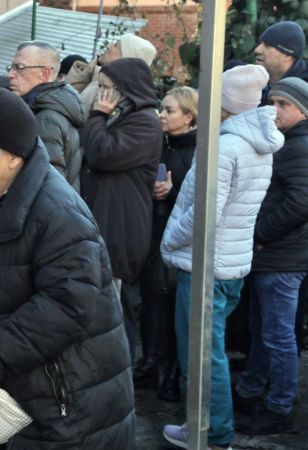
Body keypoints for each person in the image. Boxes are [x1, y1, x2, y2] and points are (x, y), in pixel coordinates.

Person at [0, 88, 135, 449]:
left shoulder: (58, 213)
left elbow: (66, 305)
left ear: (14, 157)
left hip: (63, 405)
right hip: (18, 396)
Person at [161, 64, 284, 450]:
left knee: (200, 353)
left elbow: (203, 215)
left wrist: (169, 240)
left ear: (224, 103)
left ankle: (212, 432)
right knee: (209, 351)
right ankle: (208, 427)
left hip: (205, 267)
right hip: (230, 265)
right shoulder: (254, 143)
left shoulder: (225, 145)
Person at [233, 77, 308, 436]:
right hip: (273, 257)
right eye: (272, 102)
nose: (274, 110)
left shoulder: (300, 146)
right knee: (262, 329)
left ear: (303, 112)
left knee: (278, 335)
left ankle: (280, 408)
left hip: (282, 258)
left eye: (284, 105)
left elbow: (300, 203)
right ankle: (251, 389)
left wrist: (260, 235)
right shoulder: (287, 142)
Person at [80, 57, 163, 365]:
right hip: (108, 224)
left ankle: (118, 375)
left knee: (113, 315)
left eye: (105, 88)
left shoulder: (143, 122)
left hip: (120, 231)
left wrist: (98, 116)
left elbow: (103, 153)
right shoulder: (126, 117)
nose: (101, 95)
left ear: (124, 90)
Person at [135, 86, 198, 403]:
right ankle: (149, 364)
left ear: (189, 117)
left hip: (182, 244)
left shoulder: (200, 151)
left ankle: (170, 374)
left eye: (170, 110)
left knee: (173, 307)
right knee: (150, 303)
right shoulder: (160, 144)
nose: (162, 114)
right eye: (162, 108)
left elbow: (197, 202)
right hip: (154, 234)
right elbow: (155, 176)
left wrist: (171, 194)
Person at [7, 41, 86, 191]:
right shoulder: (43, 108)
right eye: (11, 67)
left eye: (19, 68)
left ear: (46, 74)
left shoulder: (46, 119)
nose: (10, 75)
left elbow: (47, 186)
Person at [65, 33, 157, 114]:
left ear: (125, 59)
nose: (108, 46)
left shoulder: (111, 94)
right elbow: (67, 99)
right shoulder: (99, 77)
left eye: (116, 45)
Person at [254, 21, 307, 104]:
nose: (257, 50)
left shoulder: (304, 94)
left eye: (267, 45)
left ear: (287, 56)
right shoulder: (254, 83)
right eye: (260, 44)